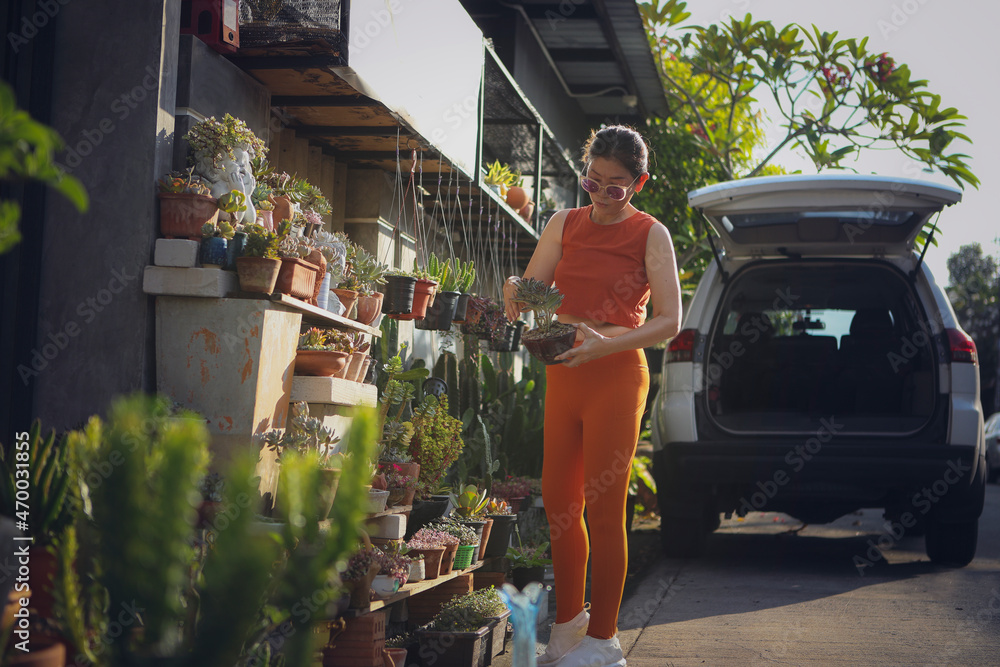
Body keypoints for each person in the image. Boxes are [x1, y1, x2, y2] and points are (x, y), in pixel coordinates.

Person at [502, 125, 682, 667]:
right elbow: (535, 289)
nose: (601, 195)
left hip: (617, 372)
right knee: (560, 502)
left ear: (639, 184)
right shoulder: (563, 222)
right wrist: (515, 289)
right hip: (565, 370)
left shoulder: (651, 234)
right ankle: (568, 626)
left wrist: (607, 343)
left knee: (605, 510)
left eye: (615, 187)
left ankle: (605, 641)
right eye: (592, 182)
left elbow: (670, 321)